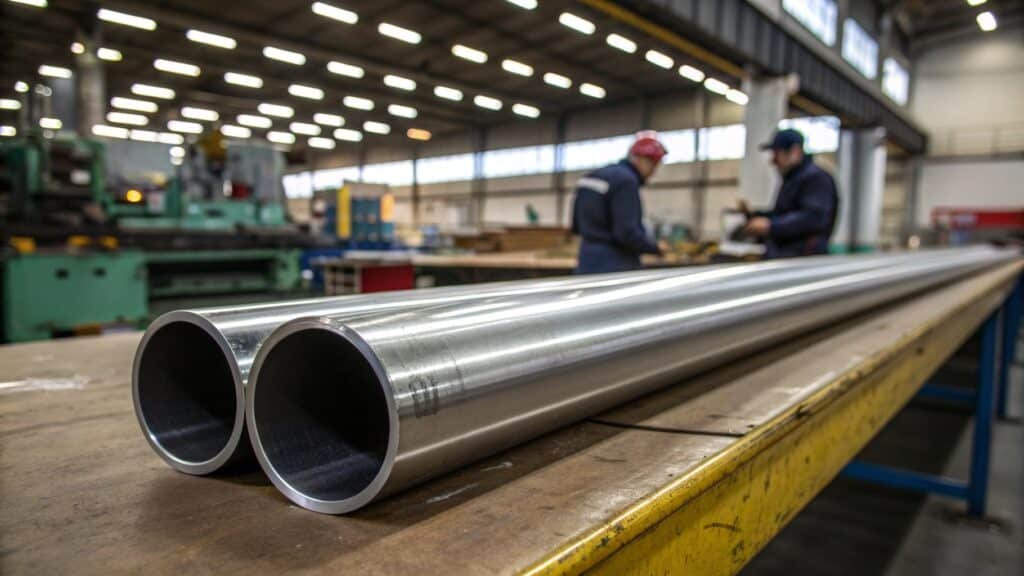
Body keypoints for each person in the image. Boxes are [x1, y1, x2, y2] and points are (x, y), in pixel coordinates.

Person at [571, 131, 668, 274]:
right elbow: (627, 233)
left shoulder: (592, 177)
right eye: (653, 166)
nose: (653, 172)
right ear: (641, 159)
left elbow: (576, 225)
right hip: (615, 264)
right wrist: (655, 247)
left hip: (587, 260)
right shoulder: (626, 181)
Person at [742, 128, 838, 258]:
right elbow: (784, 213)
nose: (773, 161)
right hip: (784, 256)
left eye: (777, 154)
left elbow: (813, 218)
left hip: (803, 259)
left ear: (795, 151)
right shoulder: (793, 179)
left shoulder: (815, 178)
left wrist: (771, 226)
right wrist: (756, 215)